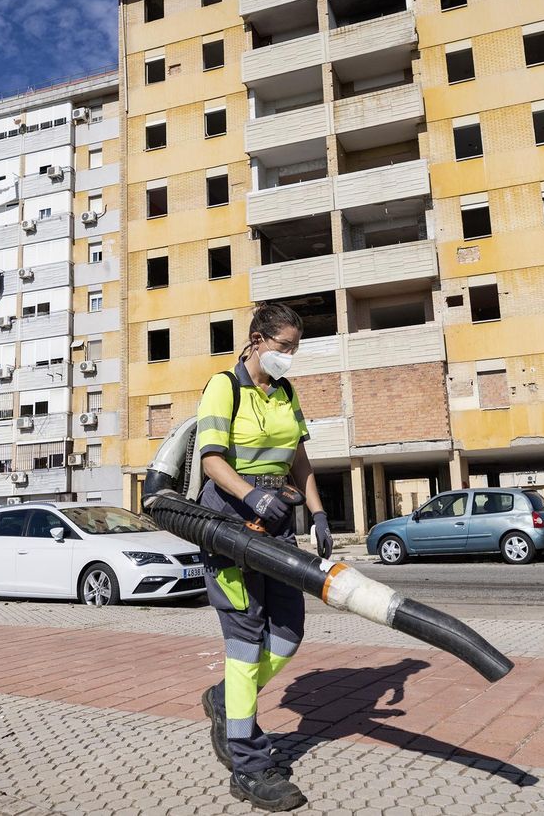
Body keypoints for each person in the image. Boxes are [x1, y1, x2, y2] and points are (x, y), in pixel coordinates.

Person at [193, 303, 328, 811]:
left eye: (295, 348)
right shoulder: (223, 387)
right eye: (283, 346)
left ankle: (227, 698)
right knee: (245, 644)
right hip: (232, 524)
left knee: (288, 634)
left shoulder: (286, 392)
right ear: (256, 340)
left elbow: (298, 457)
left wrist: (317, 514)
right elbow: (210, 459)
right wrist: (250, 495)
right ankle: (248, 765)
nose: (289, 357)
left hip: (280, 525)